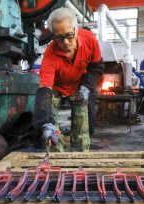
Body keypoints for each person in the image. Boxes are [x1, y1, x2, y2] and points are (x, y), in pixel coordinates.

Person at [33, 8, 104, 152]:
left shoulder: (90, 40)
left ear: (76, 29)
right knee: (50, 121)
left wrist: (87, 87)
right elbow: (45, 90)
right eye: (59, 38)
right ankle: (55, 157)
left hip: (79, 84)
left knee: (81, 116)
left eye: (69, 35)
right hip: (56, 87)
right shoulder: (50, 55)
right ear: (53, 36)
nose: (65, 42)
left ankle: (80, 156)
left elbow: (97, 66)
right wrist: (45, 122)